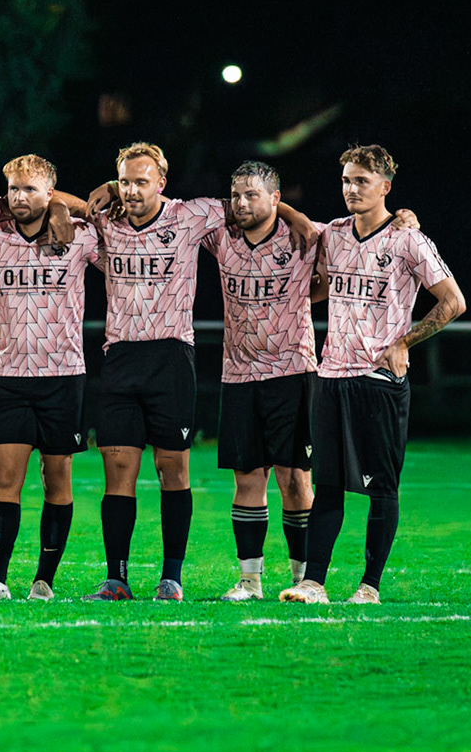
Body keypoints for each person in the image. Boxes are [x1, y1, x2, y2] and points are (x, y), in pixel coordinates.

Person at [82, 143, 314, 601]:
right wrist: (104, 188)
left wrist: (298, 216)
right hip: (120, 358)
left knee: (176, 470)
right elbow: (60, 206)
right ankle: (116, 578)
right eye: (125, 181)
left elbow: (250, 203)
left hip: (173, 359)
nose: (131, 190)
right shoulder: (104, 220)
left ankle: (173, 578)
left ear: (161, 183)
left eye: (141, 181)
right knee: (118, 471)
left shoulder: (192, 216)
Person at [282, 144, 465, 605]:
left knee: (380, 486)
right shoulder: (334, 234)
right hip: (331, 377)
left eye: (361, 181)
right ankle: (313, 583)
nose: (351, 189)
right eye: (346, 180)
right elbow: (320, 279)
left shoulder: (409, 240)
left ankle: (369, 586)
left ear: (385, 187)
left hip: (378, 381)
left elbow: (453, 301)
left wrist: (404, 343)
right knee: (326, 484)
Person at [0, 154, 95, 601]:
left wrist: (62, 208)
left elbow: (101, 216)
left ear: (50, 191)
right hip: (13, 376)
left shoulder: (79, 238)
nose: (19, 197)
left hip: (65, 375)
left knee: (57, 478)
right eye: (13, 189)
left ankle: (44, 581)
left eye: (30, 189)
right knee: (7, 481)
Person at [206, 161, 320, 601]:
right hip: (238, 373)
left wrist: (294, 215)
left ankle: (303, 579)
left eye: (252, 195)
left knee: (295, 479)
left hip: (293, 372)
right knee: (247, 477)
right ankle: (250, 580)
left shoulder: (306, 238)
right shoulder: (219, 236)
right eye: (236, 195)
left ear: (275, 198)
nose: (241, 203)